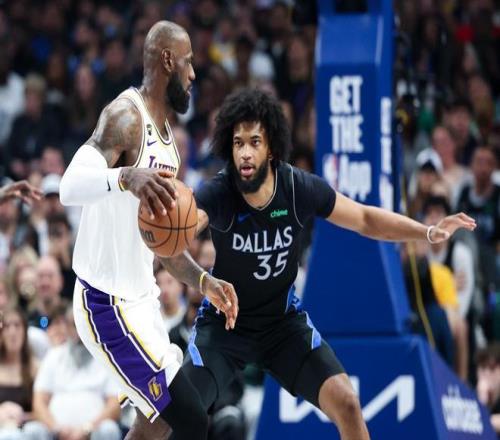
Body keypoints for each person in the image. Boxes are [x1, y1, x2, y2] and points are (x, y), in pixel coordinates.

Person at [162, 88, 476, 440]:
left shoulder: (298, 188)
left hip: (281, 326)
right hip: (225, 325)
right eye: (238, 143)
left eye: (254, 142)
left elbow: (365, 218)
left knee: (348, 403)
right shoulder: (218, 193)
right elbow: (170, 248)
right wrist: (203, 280)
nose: (245, 152)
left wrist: (427, 231)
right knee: (173, 418)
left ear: (272, 148)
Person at [60, 20, 238, 440]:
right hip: (105, 303)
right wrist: (125, 176)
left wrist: (203, 280)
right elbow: (69, 187)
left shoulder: (169, 147)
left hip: (142, 301)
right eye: (189, 62)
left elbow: (162, 244)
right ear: (168, 60)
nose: (193, 74)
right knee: (191, 418)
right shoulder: (125, 117)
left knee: (156, 425)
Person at [0, 307, 37, 440]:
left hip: (27, 431)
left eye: (17, 325)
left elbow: (45, 409)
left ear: (25, 331)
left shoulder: (36, 368)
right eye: (7, 326)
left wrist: (22, 417)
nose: (12, 332)